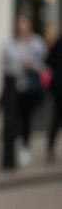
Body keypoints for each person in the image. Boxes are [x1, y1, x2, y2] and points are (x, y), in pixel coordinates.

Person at [2, 14, 47, 167]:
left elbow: (43, 66)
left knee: (27, 117)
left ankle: (25, 146)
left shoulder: (37, 44)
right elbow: (6, 66)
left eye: (25, 23)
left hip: (31, 87)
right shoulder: (10, 45)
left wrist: (32, 66)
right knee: (16, 119)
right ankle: (19, 146)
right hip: (14, 87)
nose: (22, 27)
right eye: (20, 24)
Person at [46, 31, 62, 163]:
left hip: (57, 88)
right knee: (56, 119)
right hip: (58, 89)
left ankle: (50, 148)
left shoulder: (57, 42)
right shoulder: (58, 43)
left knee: (56, 119)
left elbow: (49, 62)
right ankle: (50, 149)